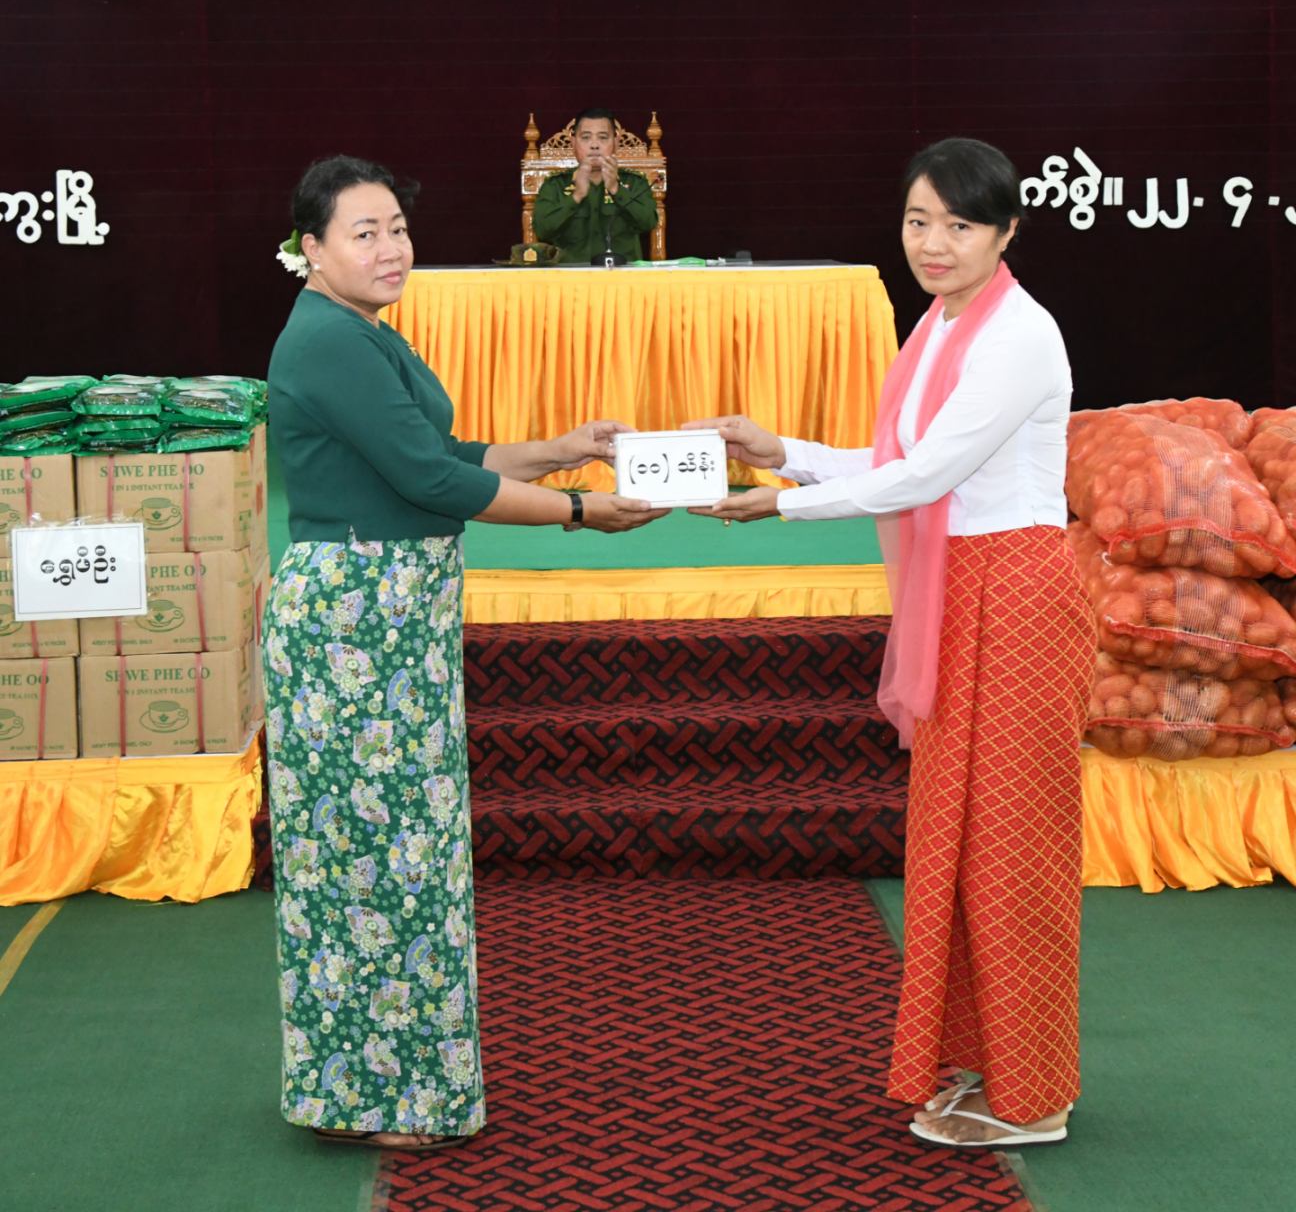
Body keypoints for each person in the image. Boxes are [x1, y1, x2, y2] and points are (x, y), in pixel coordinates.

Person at [685, 138, 1095, 1148]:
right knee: (957, 842)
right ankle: (993, 1068)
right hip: (962, 589)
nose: (933, 243)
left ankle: (1037, 1096)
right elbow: (894, 459)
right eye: (919, 221)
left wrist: (776, 506)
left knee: (1013, 848)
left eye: (960, 224)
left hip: (1017, 597)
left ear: (1006, 231)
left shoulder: (1019, 335)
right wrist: (782, 454)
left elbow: (923, 477)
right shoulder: (940, 325)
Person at [264, 154, 665, 1151]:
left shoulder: (358, 330)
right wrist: (581, 512)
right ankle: (383, 1097)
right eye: (364, 232)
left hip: (387, 624)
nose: (390, 248)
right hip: (355, 630)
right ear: (312, 248)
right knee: (380, 864)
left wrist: (565, 449)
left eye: (397, 228)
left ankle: (373, 1088)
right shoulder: (329, 340)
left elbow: (446, 456)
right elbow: (434, 483)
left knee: (391, 856)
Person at [532, 107, 658, 262]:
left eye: (603, 137)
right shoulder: (555, 185)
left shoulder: (634, 183)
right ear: (573, 143)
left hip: (622, 274)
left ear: (616, 142)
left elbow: (648, 223)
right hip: (570, 274)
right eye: (586, 137)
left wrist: (616, 189)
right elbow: (542, 230)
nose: (594, 145)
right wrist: (576, 196)